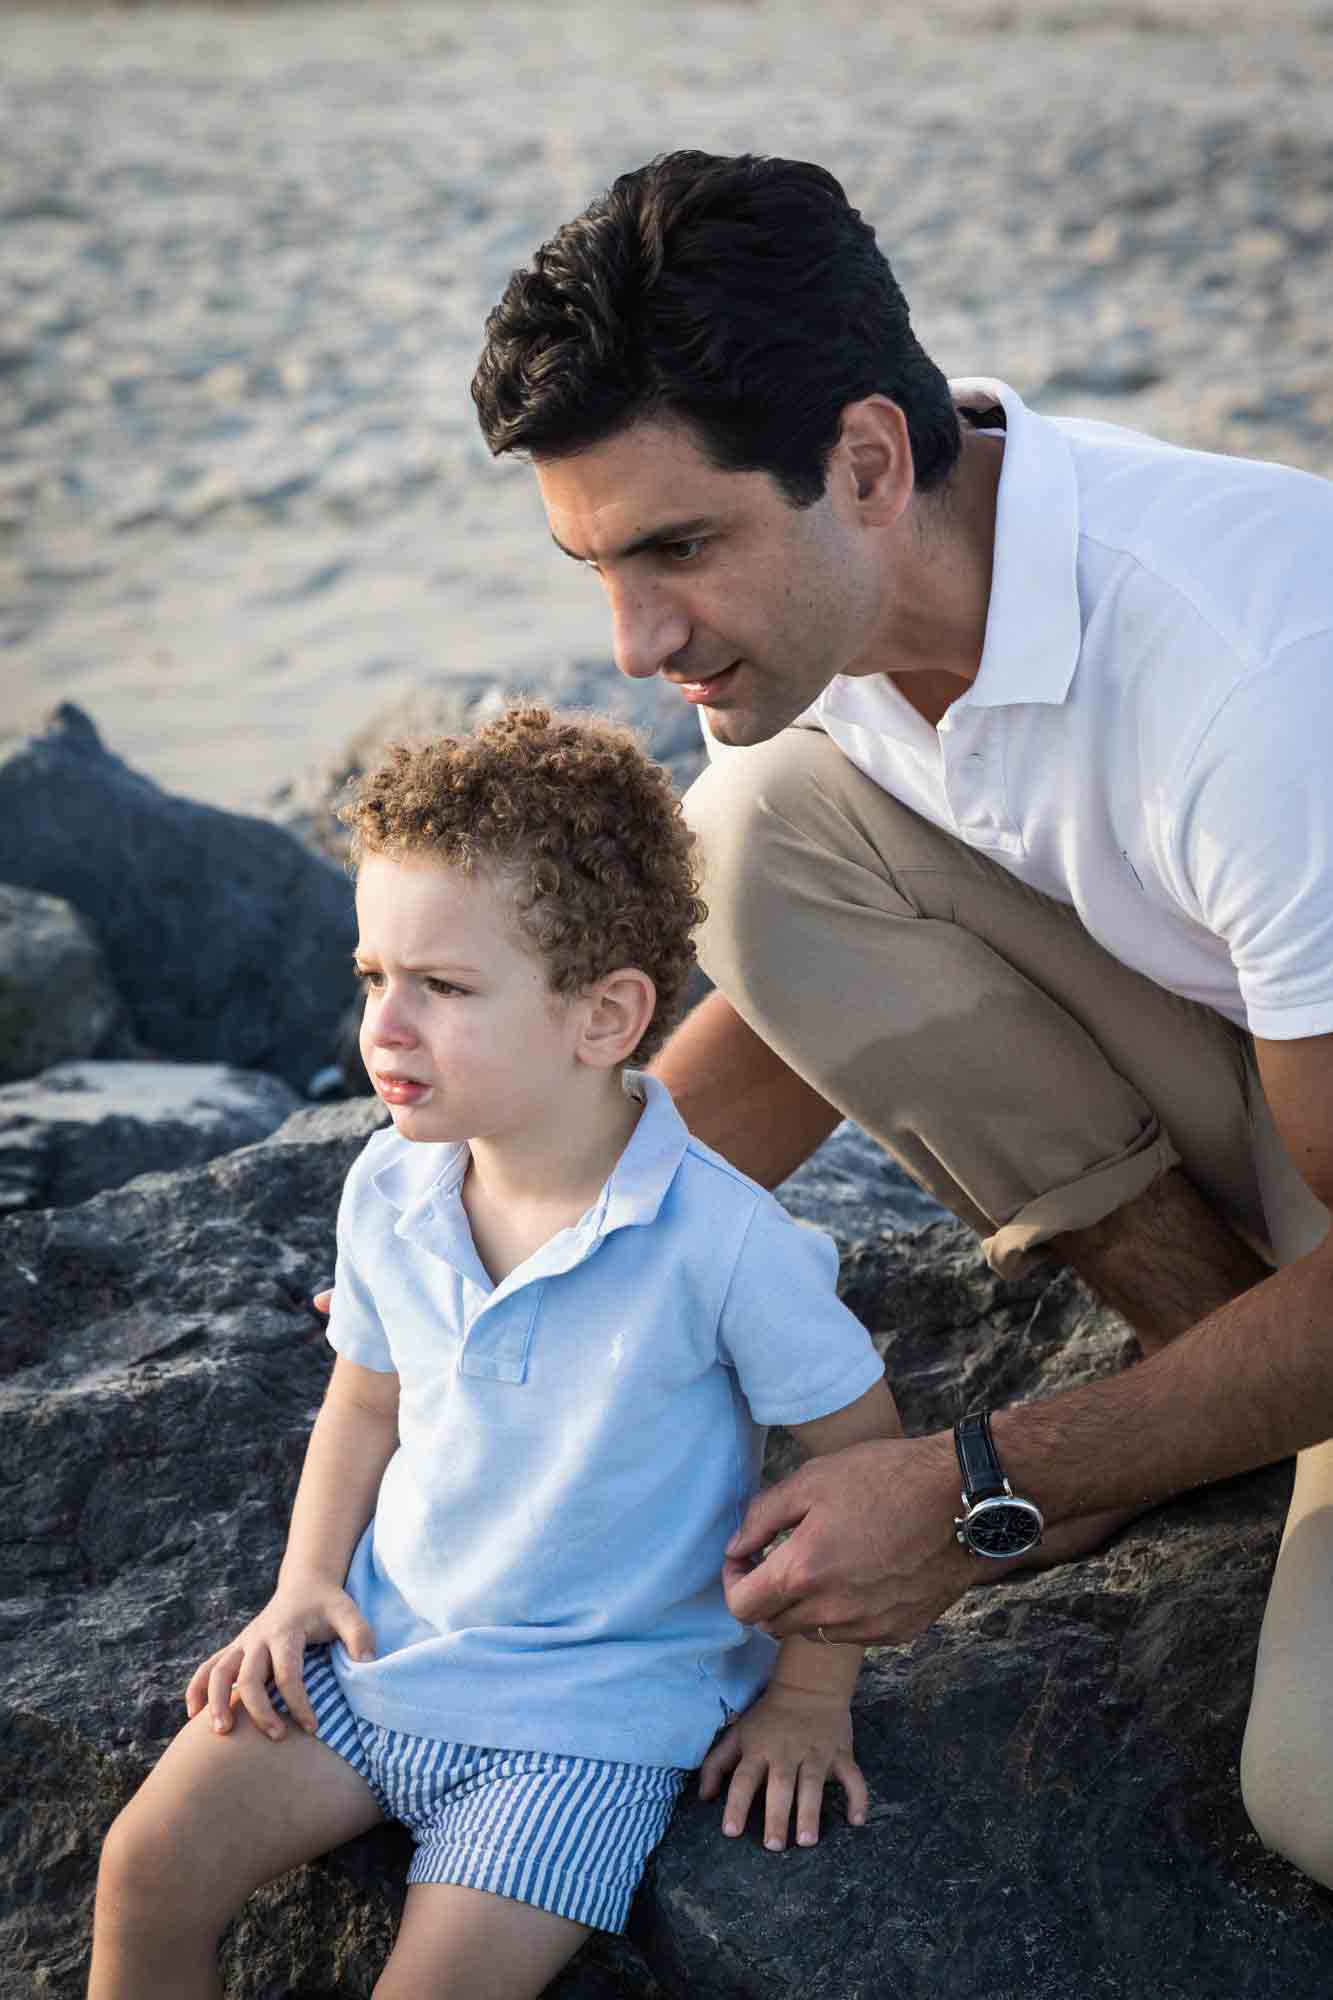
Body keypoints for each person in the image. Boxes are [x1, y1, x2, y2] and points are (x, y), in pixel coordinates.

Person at [470, 150, 1333, 1885]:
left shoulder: (1260, 676)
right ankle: (1214, 1377)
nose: (636, 641)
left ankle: (1234, 1417)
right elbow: (800, 983)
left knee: (1314, 1800)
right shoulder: (848, 608)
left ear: (867, 459)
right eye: (593, 566)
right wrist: (508, 1271)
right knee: (754, 834)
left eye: (676, 550)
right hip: (1270, 1072)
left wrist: (980, 1484)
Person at [87, 702, 897, 2000]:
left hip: (585, 1728)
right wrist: (303, 1587)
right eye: (372, 979)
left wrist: (808, 1697)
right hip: (378, 1658)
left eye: (444, 988)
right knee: (143, 1869)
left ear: (603, 1017)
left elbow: (864, 1461)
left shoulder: (722, 1245)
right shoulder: (390, 1187)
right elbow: (364, 1401)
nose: (385, 1029)